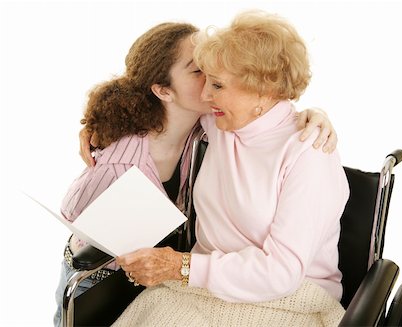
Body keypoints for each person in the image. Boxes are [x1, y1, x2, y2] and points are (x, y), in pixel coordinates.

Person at [54, 21, 337, 326]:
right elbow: (141, 86)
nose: (205, 93)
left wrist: (315, 115)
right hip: (159, 281)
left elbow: (282, 273)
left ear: (261, 90)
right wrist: (97, 124)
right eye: (201, 75)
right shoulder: (219, 124)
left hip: (286, 298)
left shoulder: (305, 151)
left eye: (216, 84)